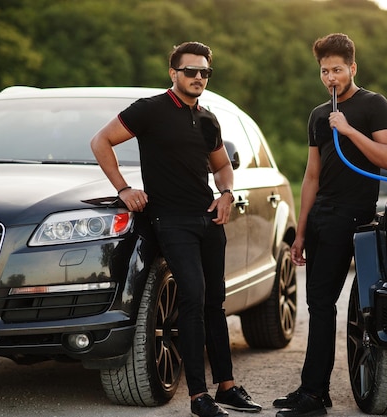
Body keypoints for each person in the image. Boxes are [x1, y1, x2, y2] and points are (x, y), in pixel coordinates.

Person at [90, 41, 262, 417]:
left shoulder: (208, 119)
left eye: (204, 72)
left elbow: (221, 166)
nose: (198, 77)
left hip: (208, 219)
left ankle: (227, 387)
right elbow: (100, 141)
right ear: (173, 73)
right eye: (190, 71)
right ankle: (199, 397)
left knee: (215, 302)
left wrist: (227, 192)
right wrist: (123, 188)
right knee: (193, 298)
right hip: (171, 220)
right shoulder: (150, 110)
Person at [273, 33, 387, 417]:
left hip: (359, 215)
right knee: (319, 305)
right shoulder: (317, 115)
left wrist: (347, 130)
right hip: (325, 216)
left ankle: (360, 385)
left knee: (365, 307)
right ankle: (314, 393)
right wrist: (302, 229)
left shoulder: (373, 105)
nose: (331, 77)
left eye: (337, 70)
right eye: (325, 71)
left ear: (352, 68)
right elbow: (311, 175)